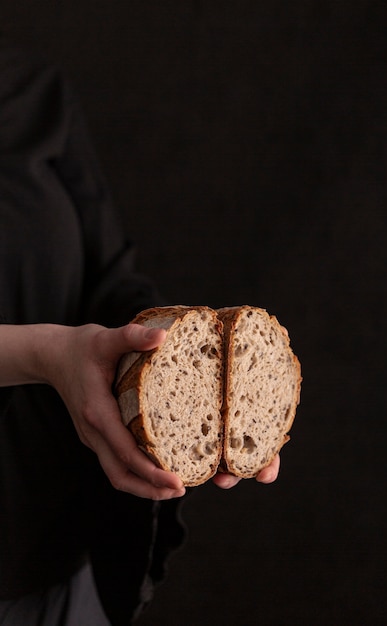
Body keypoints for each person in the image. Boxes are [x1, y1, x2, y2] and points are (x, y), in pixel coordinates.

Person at [0, 40, 280, 625]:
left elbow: (110, 276)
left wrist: (177, 353)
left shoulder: (31, 89)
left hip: (54, 560)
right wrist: (44, 355)